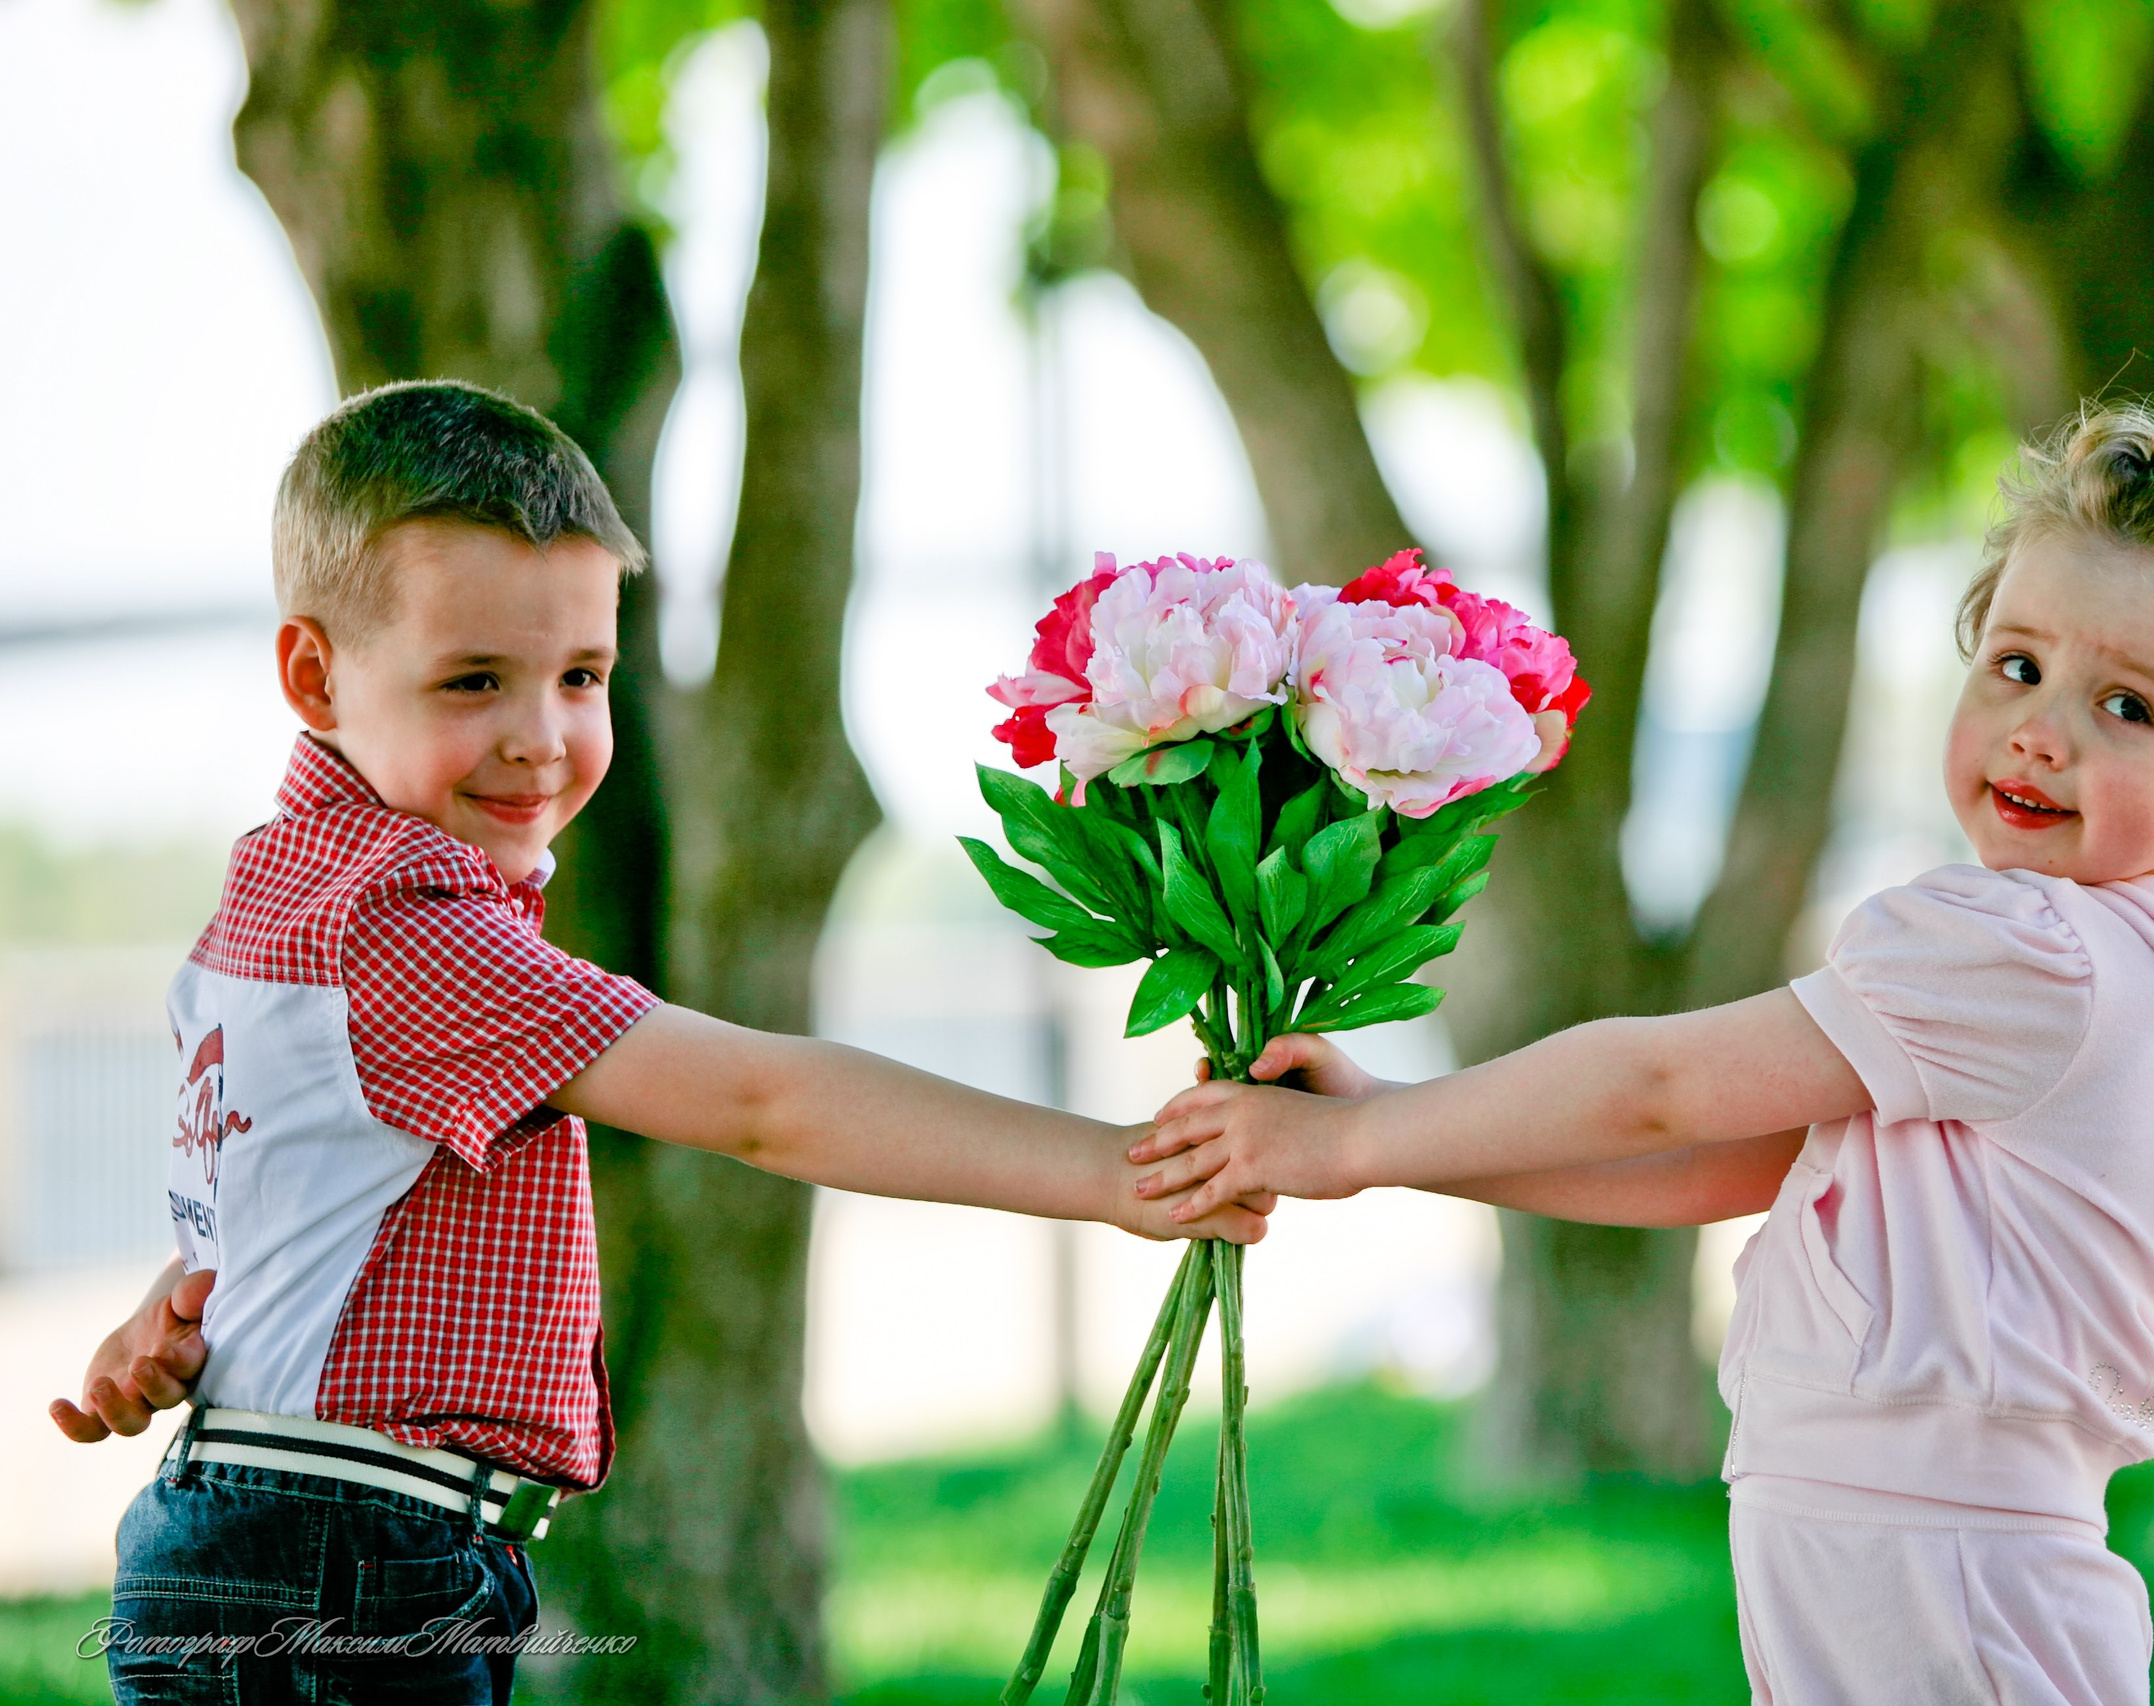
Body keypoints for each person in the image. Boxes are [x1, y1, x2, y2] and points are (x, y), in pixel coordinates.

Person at [1130, 379, 2154, 1704]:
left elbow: (1660, 1085)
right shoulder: (2100, 971)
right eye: (2019, 664)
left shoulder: (2025, 949)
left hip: (1948, 1595)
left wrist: (1358, 1139)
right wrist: (1399, 1135)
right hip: (1938, 1582)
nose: (2043, 728)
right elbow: (1710, 1158)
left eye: (2129, 708)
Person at [48, 379, 1268, 1706]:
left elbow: (285, 1170)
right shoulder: (404, 921)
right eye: (474, 680)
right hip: (346, 1557)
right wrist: (1132, 1171)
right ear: (313, 673)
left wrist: (179, 1298)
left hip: (291, 1540)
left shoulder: (276, 890)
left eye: (583, 675)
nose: (543, 736)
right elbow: (758, 1100)